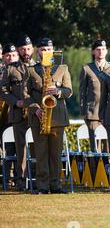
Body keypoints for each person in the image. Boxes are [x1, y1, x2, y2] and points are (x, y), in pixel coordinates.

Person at [23, 38, 72, 194]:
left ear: (53, 51)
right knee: (41, 153)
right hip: (39, 117)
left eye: (48, 49)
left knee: (55, 154)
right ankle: (43, 186)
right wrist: (34, 108)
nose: (45, 52)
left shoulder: (62, 68)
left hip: (57, 117)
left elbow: (69, 91)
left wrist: (57, 92)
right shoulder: (31, 70)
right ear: (38, 51)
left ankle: (56, 185)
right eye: (42, 49)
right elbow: (25, 94)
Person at [0, 43, 26, 190]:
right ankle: (7, 179)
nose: (10, 58)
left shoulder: (20, 68)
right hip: (5, 116)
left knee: (16, 147)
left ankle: (19, 178)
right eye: (7, 55)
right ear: (3, 57)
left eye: (13, 55)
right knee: (8, 149)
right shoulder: (3, 70)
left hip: (14, 113)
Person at [79, 39, 110, 152]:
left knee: (109, 146)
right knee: (95, 148)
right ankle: (94, 169)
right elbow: (82, 92)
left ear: (106, 51)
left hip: (109, 112)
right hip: (93, 112)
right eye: (98, 49)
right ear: (93, 52)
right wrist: (83, 111)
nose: (101, 52)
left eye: (103, 49)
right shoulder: (87, 69)